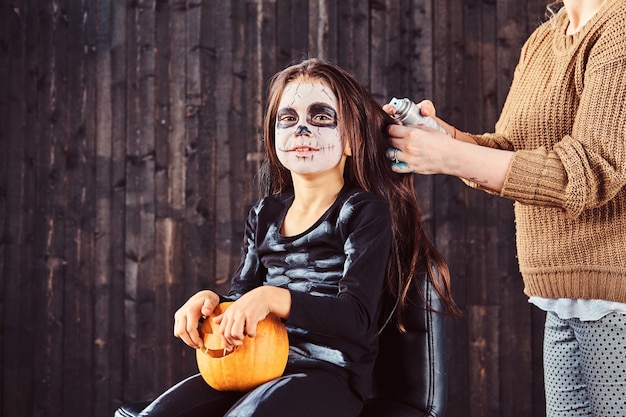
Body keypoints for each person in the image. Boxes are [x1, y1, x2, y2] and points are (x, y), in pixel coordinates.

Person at [131, 58, 458, 417]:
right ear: (273, 136)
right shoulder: (265, 213)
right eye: (288, 119)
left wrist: (273, 298)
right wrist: (213, 302)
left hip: (329, 375)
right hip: (253, 365)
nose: (301, 130)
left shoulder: (363, 211)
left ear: (352, 140)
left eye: (320, 118)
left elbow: (358, 317)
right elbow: (244, 293)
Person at [384, 0, 626, 416]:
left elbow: (588, 171)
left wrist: (448, 156)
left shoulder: (620, 26)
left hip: (615, 301)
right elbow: (515, 153)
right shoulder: (545, 38)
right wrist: (448, 138)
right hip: (561, 297)